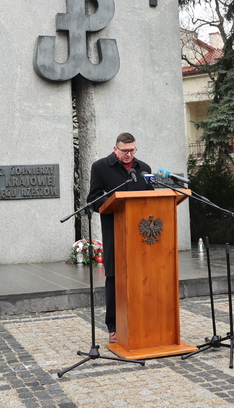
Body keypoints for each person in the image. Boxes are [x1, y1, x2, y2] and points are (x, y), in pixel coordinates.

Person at [86, 132, 153, 343]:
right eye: (125, 151)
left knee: (143, 277)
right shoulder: (100, 167)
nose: (129, 154)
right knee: (114, 278)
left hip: (142, 235)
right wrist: (112, 201)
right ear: (116, 149)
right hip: (115, 232)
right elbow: (93, 199)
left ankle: (143, 321)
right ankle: (114, 326)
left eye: (132, 150)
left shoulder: (144, 169)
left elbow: (151, 199)